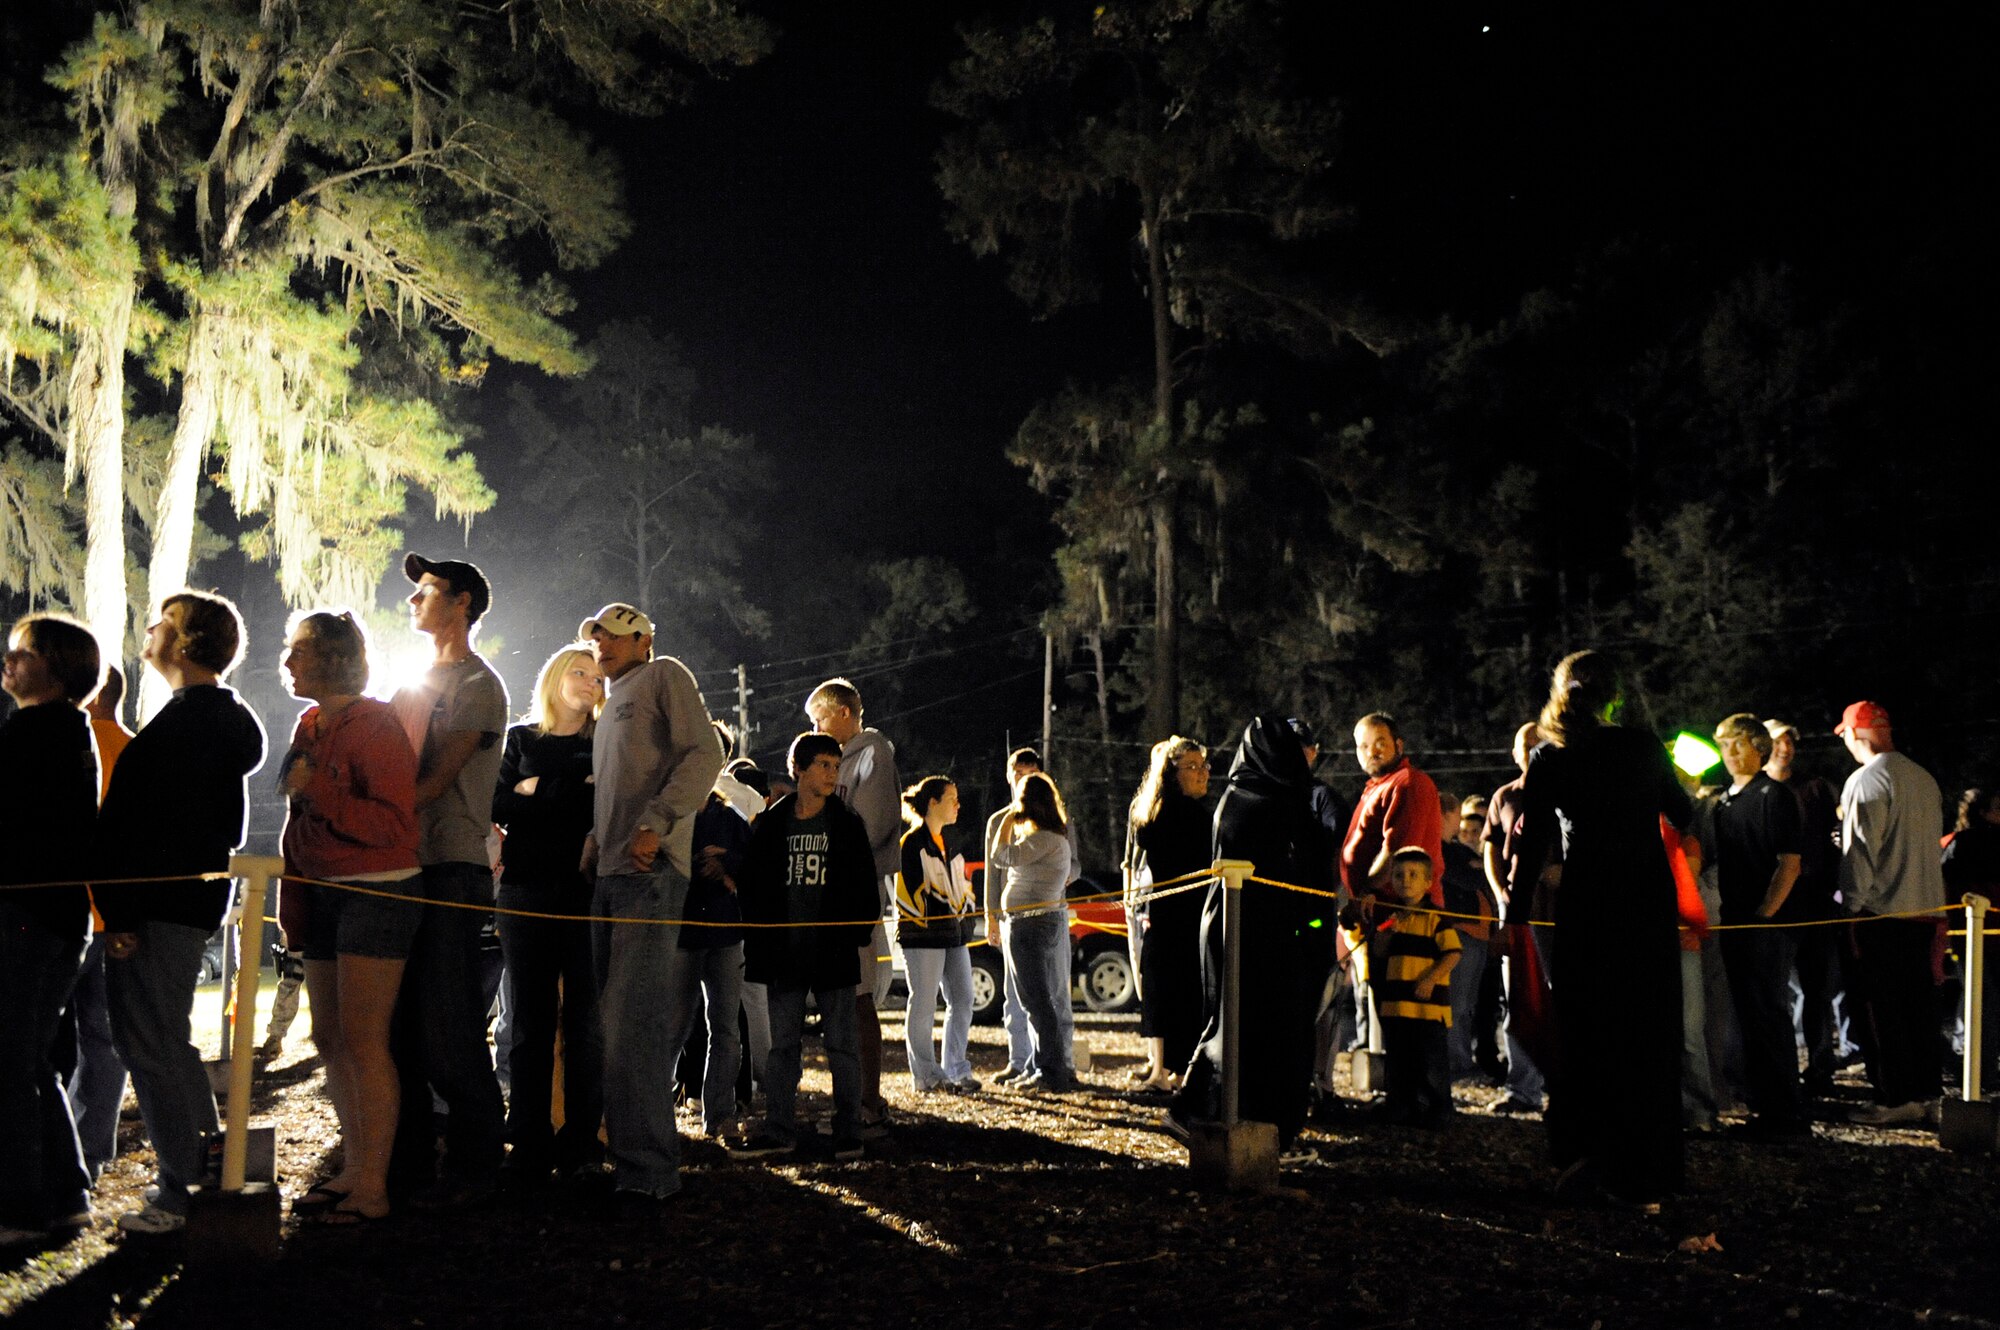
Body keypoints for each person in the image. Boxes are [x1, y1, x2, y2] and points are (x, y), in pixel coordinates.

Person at [95, 592, 268, 1233]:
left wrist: (120, 913)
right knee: (166, 1040)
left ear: (188, 643)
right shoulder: (204, 720)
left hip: (155, 906)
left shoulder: (192, 726)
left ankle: (182, 1189)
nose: (149, 631)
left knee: (151, 1044)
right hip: (170, 902)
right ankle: (204, 1168)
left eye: (163, 623)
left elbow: (151, 829)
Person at [1516, 651, 1691, 1214]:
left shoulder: (1551, 757)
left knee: (1589, 1032)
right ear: (1615, 695)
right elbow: (1682, 813)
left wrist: (1515, 914)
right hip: (1644, 901)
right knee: (1647, 1031)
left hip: (1589, 903)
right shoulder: (1642, 748)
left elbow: (1532, 840)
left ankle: (1588, 1158)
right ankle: (1652, 1168)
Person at [278, 610, 421, 1225]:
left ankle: (373, 1186)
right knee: (331, 1039)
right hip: (323, 893)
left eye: (300, 652)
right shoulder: (311, 723)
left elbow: (394, 825)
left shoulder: (377, 723)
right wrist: (293, 899)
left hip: (377, 892)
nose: (287, 663)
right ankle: (353, 1167)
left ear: (335, 658)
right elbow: (297, 818)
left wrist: (323, 792)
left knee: (364, 1042)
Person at [580, 602, 723, 1204]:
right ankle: (631, 1162)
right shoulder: (611, 700)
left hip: (650, 872)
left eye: (613, 636)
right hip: (612, 874)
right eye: (596, 638)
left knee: (632, 1023)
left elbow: (706, 754)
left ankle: (649, 1174)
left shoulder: (665, 676)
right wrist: (597, 835)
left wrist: (656, 822)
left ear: (644, 639)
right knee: (612, 1023)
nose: (601, 646)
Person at [389, 554, 510, 1205]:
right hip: (401, 868)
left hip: (452, 870)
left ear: (462, 602)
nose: (413, 601)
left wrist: (363, 812)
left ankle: (477, 1164)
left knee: (447, 1026)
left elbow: (429, 784)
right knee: (401, 1027)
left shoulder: (477, 687)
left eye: (427, 591)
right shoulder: (411, 682)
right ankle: (408, 1163)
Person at [1168, 716, 1334, 1167]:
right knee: (1257, 1030)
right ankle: (1254, 1126)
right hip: (1264, 936)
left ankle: (1212, 1111)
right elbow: (1304, 872)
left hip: (1242, 929)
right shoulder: (1272, 802)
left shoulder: (1240, 797)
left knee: (1236, 1024)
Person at [0, 615, 101, 1250]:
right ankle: (66, 1194)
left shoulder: (38, 731)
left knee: (9, 1062)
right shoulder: (66, 732)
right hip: (55, 914)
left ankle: (20, 1204)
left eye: (22, 652)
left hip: (25, 912)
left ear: (57, 668)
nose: (7, 661)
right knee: (29, 1060)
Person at [730, 733, 880, 1159]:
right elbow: (754, 885)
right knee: (783, 1049)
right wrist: (760, 936)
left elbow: (865, 889)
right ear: (798, 768)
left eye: (836, 765)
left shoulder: (847, 824)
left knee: (842, 1046)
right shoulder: (774, 824)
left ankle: (849, 1131)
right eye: (824, 765)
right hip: (784, 953)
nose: (833, 773)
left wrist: (854, 933)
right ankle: (779, 1129)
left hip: (832, 952)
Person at [491, 644, 604, 1188]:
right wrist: (568, 792)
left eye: (596, 674)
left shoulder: (605, 741)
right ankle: (528, 1139)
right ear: (555, 676)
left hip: (585, 896)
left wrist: (537, 791)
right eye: (578, 671)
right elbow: (497, 805)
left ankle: (583, 1141)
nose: (589, 680)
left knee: (585, 1024)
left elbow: (600, 807)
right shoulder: (521, 739)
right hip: (525, 891)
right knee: (528, 1023)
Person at [1832, 700, 1947, 1126]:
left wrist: (1851, 908)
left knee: (1881, 1012)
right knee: (1921, 1008)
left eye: (1844, 734)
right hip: (1926, 910)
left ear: (1856, 734)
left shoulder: (1865, 781)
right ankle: (1927, 1093)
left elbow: (1860, 854)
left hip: (1881, 914)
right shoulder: (1923, 779)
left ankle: (1893, 1097)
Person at [805, 678, 900, 1136]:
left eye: (819, 718)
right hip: (831, 896)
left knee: (858, 997)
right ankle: (852, 1102)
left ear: (843, 713)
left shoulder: (871, 753)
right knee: (841, 1000)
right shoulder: (844, 760)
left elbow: (874, 825)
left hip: (852, 896)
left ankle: (868, 1103)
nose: (816, 728)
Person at [1708, 713, 1808, 1140]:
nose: (1730, 753)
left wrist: (1764, 916)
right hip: (1734, 923)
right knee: (1748, 1017)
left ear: (1759, 748)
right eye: (1724, 745)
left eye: (1738, 744)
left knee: (1769, 1015)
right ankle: (1762, 1108)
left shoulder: (1776, 796)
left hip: (1767, 926)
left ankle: (1786, 1116)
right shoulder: (1724, 802)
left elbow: (1790, 863)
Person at [667, 721, 755, 1139]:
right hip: (681, 932)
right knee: (673, 1025)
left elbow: (753, 866)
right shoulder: (670, 812)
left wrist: (729, 865)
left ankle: (719, 1114)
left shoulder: (731, 816)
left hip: (723, 930)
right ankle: (655, 1111)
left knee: (725, 1027)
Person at [65, 665, 134, 1184]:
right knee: (104, 1041)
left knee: (38, 1041)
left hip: (66, 913)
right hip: (117, 917)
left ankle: (56, 1146)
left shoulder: (68, 745)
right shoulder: (135, 750)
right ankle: (92, 1147)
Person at [986, 747, 1080, 1086]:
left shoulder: (1043, 837)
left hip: (1034, 922)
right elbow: (993, 875)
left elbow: (999, 857)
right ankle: (1035, 1065)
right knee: (1030, 999)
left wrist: (1011, 818)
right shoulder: (1043, 836)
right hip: (1025, 921)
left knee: (1040, 1000)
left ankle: (1052, 1070)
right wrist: (993, 914)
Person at [1122, 736, 1212, 1092]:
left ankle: (1172, 1069)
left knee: (1178, 992)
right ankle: (1166, 1070)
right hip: (1177, 916)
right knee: (1171, 991)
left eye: (1204, 766)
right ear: (1173, 773)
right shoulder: (1176, 814)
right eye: (1192, 767)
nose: (1202, 773)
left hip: (1179, 915)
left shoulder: (1160, 811)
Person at [1764, 718, 1848, 1094]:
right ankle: (1777, 1072)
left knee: (1818, 993)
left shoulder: (1816, 789)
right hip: (1773, 908)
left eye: (1790, 742)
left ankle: (1820, 1068)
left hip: (1814, 903)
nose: (1786, 749)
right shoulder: (1755, 790)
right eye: (1778, 742)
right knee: (1772, 993)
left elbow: (1836, 839)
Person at [896, 776, 979, 1093]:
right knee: (924, 1003)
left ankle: (956, 1069)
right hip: (924, 937)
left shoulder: (951, 843)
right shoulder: (913, 843)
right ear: (932, 802)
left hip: (955, 936)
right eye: (952, 798)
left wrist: (966, 914)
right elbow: (910, 894)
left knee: (963, 999)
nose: (958, 805)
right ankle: (926, 1075)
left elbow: (962, 888)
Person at [1482, 722, 1549, 1115]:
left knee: (1560, 994)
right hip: (1514, 905)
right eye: (1525, 744)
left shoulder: (1566, 790)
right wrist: (1498, 892)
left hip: (1555, 906)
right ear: (1515, 753)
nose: (1531, 748)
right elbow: (1490, 846)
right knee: (1517, 995)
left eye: (1538, 742)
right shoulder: (1505, 796)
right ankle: (1523, 1087)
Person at [1371, 848, 1463, 1125]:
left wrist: (1431, 977)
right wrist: (1385, 934)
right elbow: (1379, 952)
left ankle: (1439, 1111)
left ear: (1428, 882)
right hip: (1397, 1005)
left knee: (1431, 1062)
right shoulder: (1392, 918)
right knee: (1399, 1060)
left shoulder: (1437, 918)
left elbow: (1453, 953)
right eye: (1399, 875)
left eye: (1413, 875)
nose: (1405, 881)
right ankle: (1400, 1106)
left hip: (1427, 1008)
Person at [1942, 789, 2000, 1086]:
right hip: (1984, 933)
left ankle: (1980, 1071)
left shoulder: (1956, 844)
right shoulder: (1975, 843)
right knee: (1985, 1003)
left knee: (1979, 1001)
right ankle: (1982, 1071)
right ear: (1984, 812)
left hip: (1969, 935)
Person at [1442, 794, 1495, 1081]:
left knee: (1468, 1005)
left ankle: (1462, 1061)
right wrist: (1478, 869)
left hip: (1477, 934)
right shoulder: (1450, 852)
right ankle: (1458, 1064)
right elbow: (1471, 878)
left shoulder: (1464, 854)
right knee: (1458, 1004)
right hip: (1463, 932)